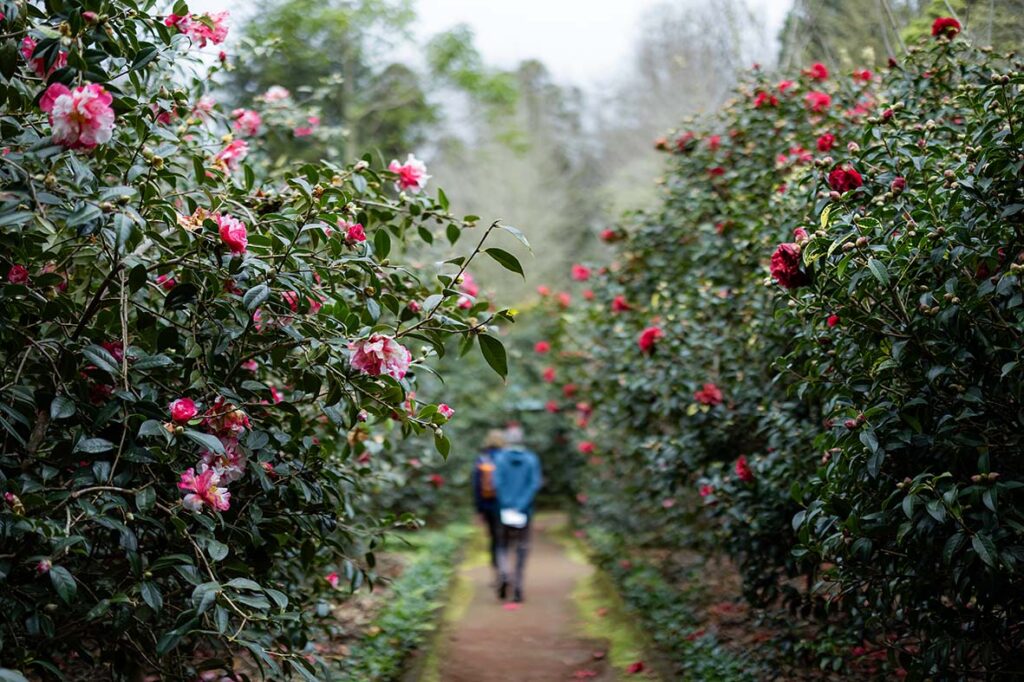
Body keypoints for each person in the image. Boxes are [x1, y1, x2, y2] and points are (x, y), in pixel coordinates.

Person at [494, 422, 542, 603]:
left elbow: (497, 483)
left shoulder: (499, 458)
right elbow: (533, 484)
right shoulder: (531, 459)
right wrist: (521, 505)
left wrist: (507, 504)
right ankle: (518, 586)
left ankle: (505, 573)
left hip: (504, 510)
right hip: (524, 511)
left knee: (503, 545)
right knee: (522, 547)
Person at [472, 430, 505, 576]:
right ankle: (505, 566)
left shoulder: (482, 459)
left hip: (488, 504)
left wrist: (479, 509)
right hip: (505, 504)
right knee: (505, 535)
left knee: (493, 536)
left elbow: (477, 486)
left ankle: (496, 567)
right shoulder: (506, 458)